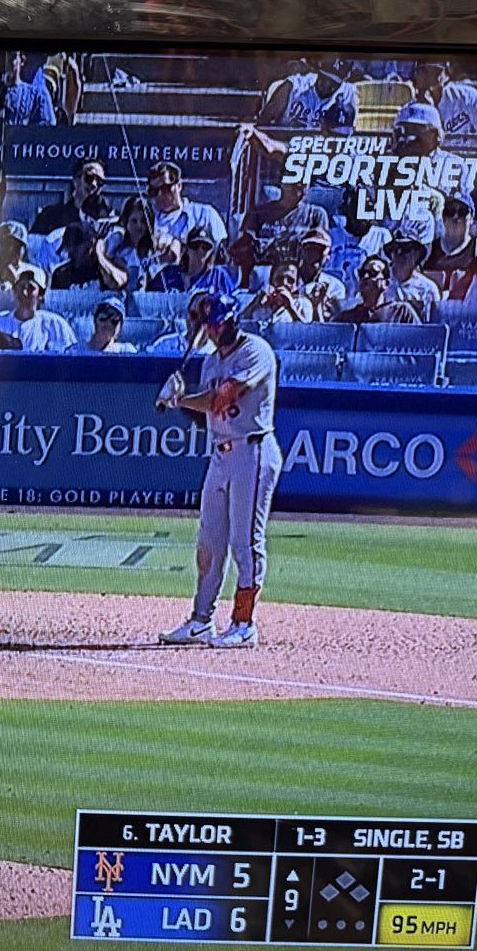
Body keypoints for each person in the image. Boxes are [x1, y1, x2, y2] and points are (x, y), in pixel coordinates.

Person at [154, 292, 281, 650]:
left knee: (246, 542)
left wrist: (177, 399)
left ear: (232, 321)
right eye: (208, 325)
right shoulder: (210, 362)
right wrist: (180, 399)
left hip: (252, 451)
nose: (211, 330)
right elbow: (207, 415)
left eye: (216, 324)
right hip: (221, 454)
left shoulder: (255, 351)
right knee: (209, 542)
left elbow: (225, 397)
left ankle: (244, 623)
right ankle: (200, 620)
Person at [257, 56, 358, 132]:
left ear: (342, 82)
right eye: (324, 78)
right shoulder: (294, 86)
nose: (327, 85)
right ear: (318, 73)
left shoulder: (348, 93)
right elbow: (263, 124)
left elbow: (346, 136)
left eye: (333, 83)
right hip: (286, 144)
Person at [145, 161, 227, 251]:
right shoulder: (144, 219)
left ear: (179, 185)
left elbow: (222, 250)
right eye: (154, 191)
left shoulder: (205, 215)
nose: (160, 195)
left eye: (165, 188)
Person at [0, 264, 76, 351]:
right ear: (15, 291)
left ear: (40, 295)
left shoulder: (56, 325)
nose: (25, 293)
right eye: (21, 287)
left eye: (31, 288)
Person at [411, 60, 477, 137]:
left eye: (437, 70)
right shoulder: (411, 105)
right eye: (425, 71)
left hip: (468, 151)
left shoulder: (468, 97)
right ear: (416, 76)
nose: (431, 76)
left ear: (446, 75)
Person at [104, 197, 173, 293]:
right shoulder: (117, 244)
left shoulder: (152, 251)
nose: (139, 226)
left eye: (143, 221)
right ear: (126, 221)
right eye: (134, 221)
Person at [30, 157, 113, 237]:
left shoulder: (107, 222)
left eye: (100, 181)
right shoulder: (50, 216)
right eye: (89, 178)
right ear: (76, 180)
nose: (94, 184)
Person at [335, 256, 419, 325]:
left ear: (386, 283)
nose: (365, 277)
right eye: (362, 273)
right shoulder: (346, 318)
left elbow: (418, 337)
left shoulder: (401, 312)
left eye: (372, 273)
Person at [384, 220, 441, 321]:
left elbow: (434, 324)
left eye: (406, 249)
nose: (399, 253)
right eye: (395, 249)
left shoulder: (428, 288)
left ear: (416, 255)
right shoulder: (381, 283)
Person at [424, 195, 477, 292]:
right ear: (444, 218)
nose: (455, 217)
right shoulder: (429, 249)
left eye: (462, 212)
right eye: (450, 211)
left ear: (471, 218)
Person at [52, 219, 127, 292]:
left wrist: (101, 256)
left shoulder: (110, 258)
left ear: (90, 245)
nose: (71, 255)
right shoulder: (64, 272)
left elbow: (120, 282)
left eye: (75, 250)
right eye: (69, 251)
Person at [295, 228, 346, 321]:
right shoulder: (288, 280)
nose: (315, 254)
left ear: (328, 256)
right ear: (301, 251)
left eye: (320, 249)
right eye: (310, 248)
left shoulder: (335, 287)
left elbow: (336, 321)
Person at [245, 259, 314, 323]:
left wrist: (291, 305)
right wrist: (259, 302)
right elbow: (245, 321)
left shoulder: (303, 303)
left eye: (290, 280)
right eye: (279, 279)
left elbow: (307, 326)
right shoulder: (263, 300)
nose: (284, 283)